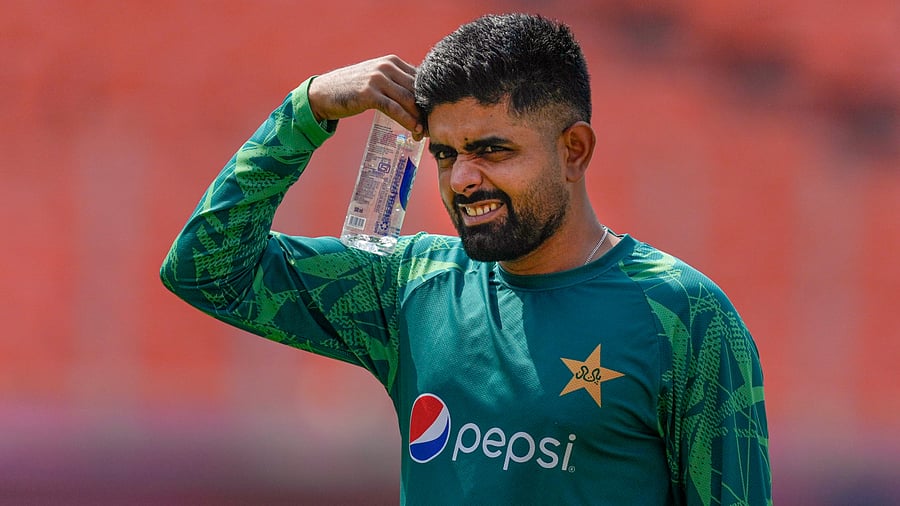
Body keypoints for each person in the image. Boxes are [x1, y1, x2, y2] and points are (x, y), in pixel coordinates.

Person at [161, 13, 771, 505]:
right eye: (446, 154)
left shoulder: (684, 316)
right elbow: (205, 270)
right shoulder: (410, 283)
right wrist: (307, 110)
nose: (462, 180)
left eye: (492, 150)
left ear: (574, 151)